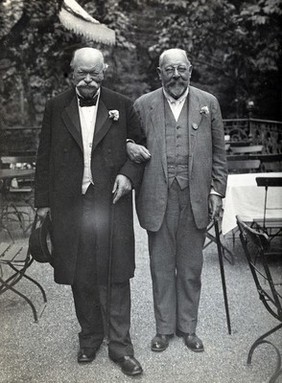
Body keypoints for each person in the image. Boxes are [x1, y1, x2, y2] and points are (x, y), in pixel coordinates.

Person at [34, 47, 145, 377]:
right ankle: (90, 337)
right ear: (71, 71)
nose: (87, 79)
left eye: (93, 74)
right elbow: (44, 155)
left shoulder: (121, 105)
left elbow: (138, 148)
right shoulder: (56, 107)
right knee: (80, 271)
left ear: (104, 71)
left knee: (116, 271)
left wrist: (128, 175)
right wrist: (42, 203)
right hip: (70, 204)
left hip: (110, 202)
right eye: (81, 73)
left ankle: (121, 346)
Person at [128, 48, 227, 353]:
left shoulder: (207, 104)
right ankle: (163, 329)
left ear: (190, 70)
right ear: (159, 74)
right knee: (160, 266)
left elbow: (219, 154)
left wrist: (216, 191)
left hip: (195, 196)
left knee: (190, 267)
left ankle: (188, 327)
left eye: (181, 69)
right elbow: (128, 141)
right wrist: (130, 144)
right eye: (168, 70)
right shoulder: (143, 106)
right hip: (157, 196)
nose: (176, 75)